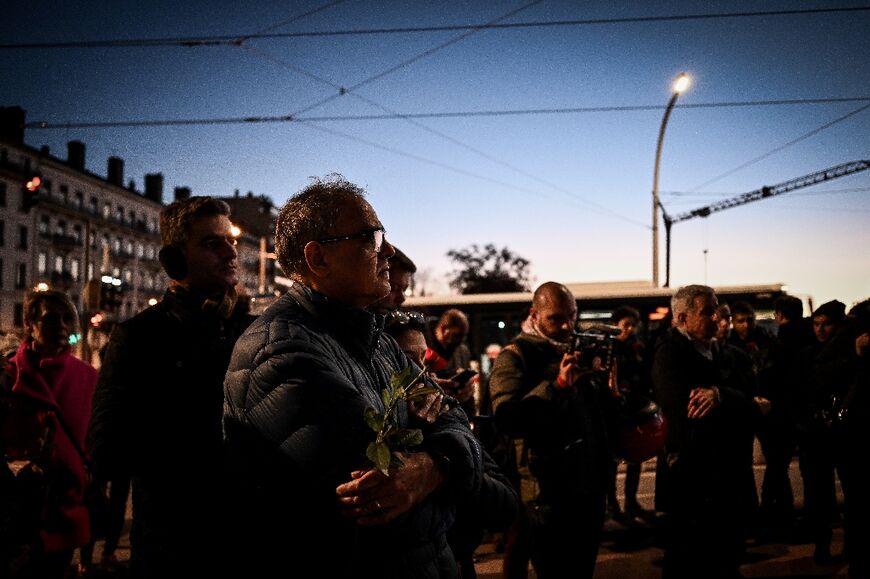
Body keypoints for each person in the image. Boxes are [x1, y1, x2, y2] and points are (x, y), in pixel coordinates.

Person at [222, 175, 484, 578]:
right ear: (318, 259)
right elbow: (385, 503)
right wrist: (444, 463)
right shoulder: (280, 352)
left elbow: (453, 422)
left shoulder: (376, 339)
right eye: (373, 238)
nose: (390, 252)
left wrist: (434, 463)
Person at [87, 196, 255, 579]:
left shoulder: (253, 333)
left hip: (246, 543)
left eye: (231, 241)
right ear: (174, 260)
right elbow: (105, 451)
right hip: (172, 549)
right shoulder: (138, 337)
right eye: (213, 243)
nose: (231, 252)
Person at [489, 282, 612, 579]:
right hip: (548, 494)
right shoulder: (515, 356)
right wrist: (557, 386)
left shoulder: (576, 351)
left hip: (588, 490)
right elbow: (508, 419)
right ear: (535, 315)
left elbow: (595, 420)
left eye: (572, 316)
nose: (567, 326)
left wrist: (611, 392)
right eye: (556, 318)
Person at [385, 310, 518, 579]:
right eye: (408, 361)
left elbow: (504, 504)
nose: (422, 374)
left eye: (424, 361)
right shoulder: (379, 433)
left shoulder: (444, 417)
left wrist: (448, 457)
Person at [652, 285, 757, 579]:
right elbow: (688, 412)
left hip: (727, 473)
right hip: (692, 476)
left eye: (717, 310)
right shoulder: (670, 354)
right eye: (708, 312)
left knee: (726, 555)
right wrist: (737, 403)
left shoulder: (721, 350)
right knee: (688, 558)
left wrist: (721, 396)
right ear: (683, 319)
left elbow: (752, 395)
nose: (718, 319)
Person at [1, 290, 98, 579]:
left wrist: (87, 471)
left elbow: (94, 436)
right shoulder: (9, 375)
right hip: (19, 508)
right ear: (31, 322)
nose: (62, 327)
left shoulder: (87, 377)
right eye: (51, 319)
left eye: (67, 319)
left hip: (65, 505)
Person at [604, 305, 650, 523]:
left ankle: (631, 502)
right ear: (615, 326)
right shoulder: (608, 349)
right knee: (612, 462)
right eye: (626, 325)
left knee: (635, 458)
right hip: (614, 411)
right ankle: (612, 503)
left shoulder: (637, 347)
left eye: (633, 325)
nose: (630, 329)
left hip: (633, 408)